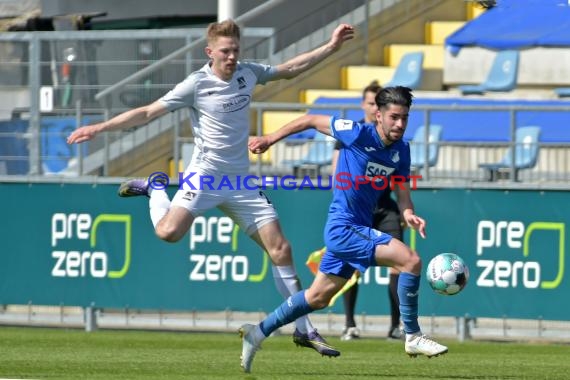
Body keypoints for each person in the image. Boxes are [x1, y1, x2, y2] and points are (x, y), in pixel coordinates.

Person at [67, 19, 355, 358]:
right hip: (204, 177)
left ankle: (305, 329)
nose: (232, 57)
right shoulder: (195, 84)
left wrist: (331, 47)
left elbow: (289, 69)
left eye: (235, 50)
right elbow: (146, 112)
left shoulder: (248, 73)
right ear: (210, 52)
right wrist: (100, 127)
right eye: (225, 51)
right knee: (168, 233)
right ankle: (156, 189)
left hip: (240, 181)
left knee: (281, 249)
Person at [241, 86, 447, 373]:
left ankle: (258, 332)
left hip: (357, 229)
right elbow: (310, 120)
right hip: (344, 228)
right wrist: (269, 138)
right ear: (378, 115)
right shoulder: (357, 133)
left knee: (317, 298)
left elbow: (402, 190)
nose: (400, 124)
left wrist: (409, 213)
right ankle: (411, 334)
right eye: (394, 117)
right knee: (410, 261)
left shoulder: (402, 150)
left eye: (405, 118)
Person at [332, 81, 403, 341]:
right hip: (358, 212)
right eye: (371, 102)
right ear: (366, 106)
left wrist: (406, 211)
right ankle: (349, 324)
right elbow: (336, 174)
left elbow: (401, 181)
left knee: (401, 265)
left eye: (378, 103)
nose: (375, 107)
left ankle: (396, 327)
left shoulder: (395, 143)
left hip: (385, 208)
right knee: (351, 268)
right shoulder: (352, 135)